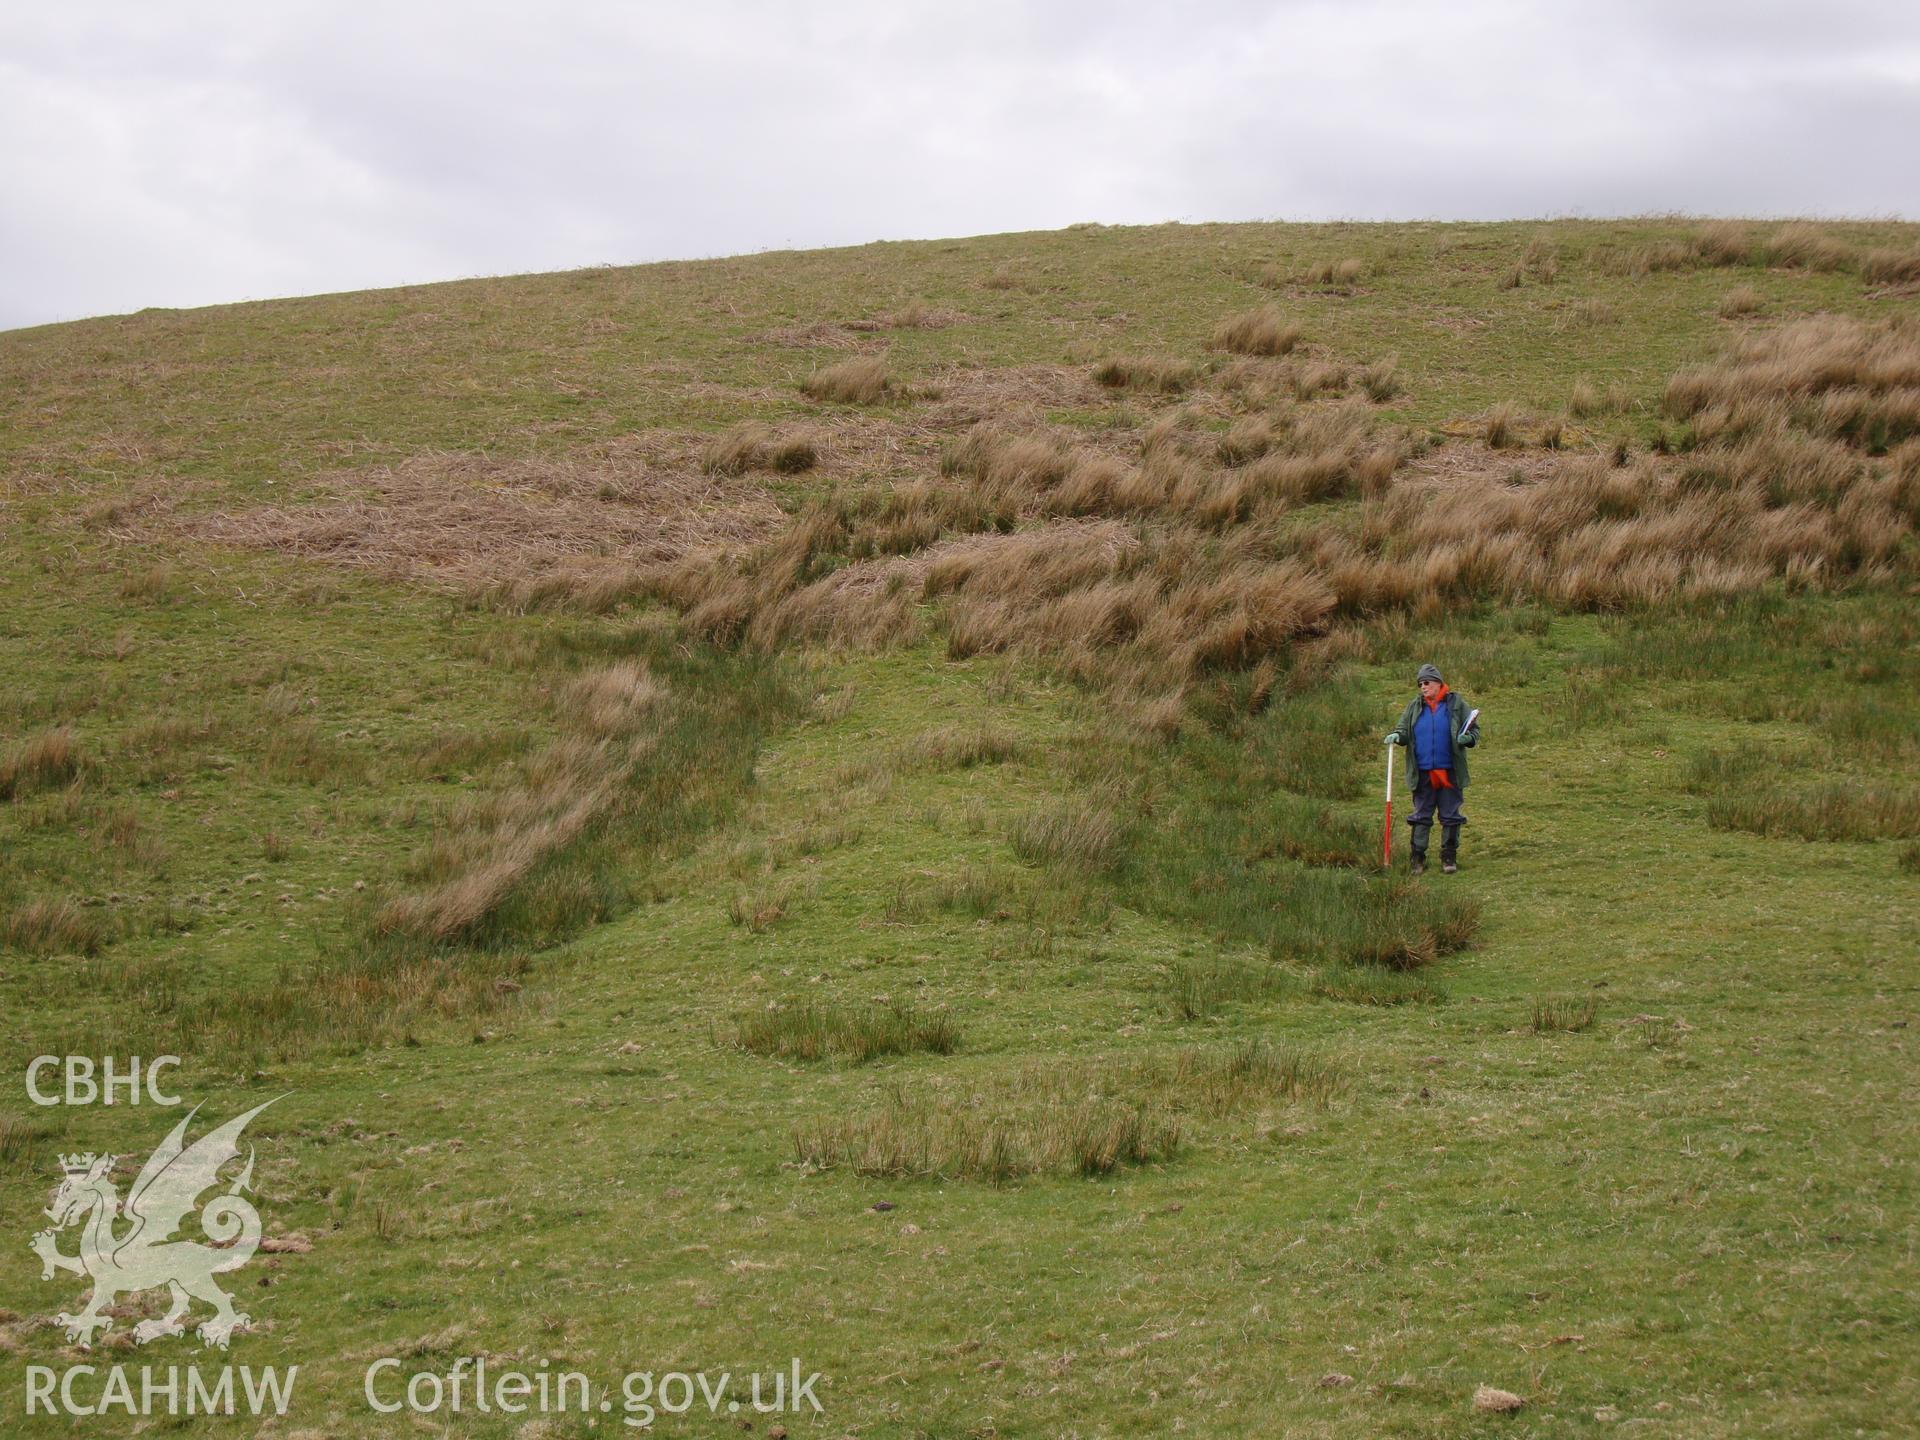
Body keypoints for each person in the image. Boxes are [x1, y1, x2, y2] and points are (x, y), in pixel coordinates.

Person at [1383, 663, 1480, 875]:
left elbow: (1473, 729)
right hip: (1423, 772)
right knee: (1421, 815)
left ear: (1438, 682)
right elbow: (1403, 730)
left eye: (1426, 682)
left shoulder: (1456, 704)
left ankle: (1448, 856)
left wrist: (1468, 739)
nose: (1423, 687)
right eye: (1420, 684)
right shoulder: (1414, 707)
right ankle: (1417, 858)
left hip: (1449, 771)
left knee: (1450, 815)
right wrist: (1398, 737)